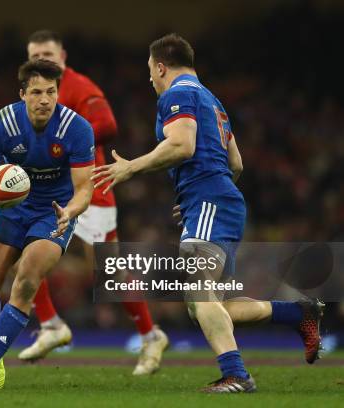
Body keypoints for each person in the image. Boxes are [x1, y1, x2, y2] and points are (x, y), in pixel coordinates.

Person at [92, 33, 324, 393]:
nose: (150, 79)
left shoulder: (177, 93)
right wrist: (200, 189)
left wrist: (132, 168)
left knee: (199, 294)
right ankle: (298, 313)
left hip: (210, 201)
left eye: (150, 71)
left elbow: (183, 145)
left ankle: (236, 375)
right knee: (211, 303)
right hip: (217, 199)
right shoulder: (213, 101)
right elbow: (237, 163)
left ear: (160, 66)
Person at [20, 30, 168, 375]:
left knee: (108, 274)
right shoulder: (35, 94)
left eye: (48, 54)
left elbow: (107, 125)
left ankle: (151, 335)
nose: (42, 60)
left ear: (63, 56)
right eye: (35, 56)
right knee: (21, 251)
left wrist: (63, 136)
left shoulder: (80, 88)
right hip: (50, 190)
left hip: (90, 187)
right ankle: (52, 325)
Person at [0, 59, 94, 390]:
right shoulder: (1, 124)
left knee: (26, 281)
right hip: (10, 210)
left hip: (54, 212)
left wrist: (70, 212)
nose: (45, 99)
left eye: (51, 92)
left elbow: (85, 190)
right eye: (36, 92)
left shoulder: (76, 129)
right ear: (22, 94)